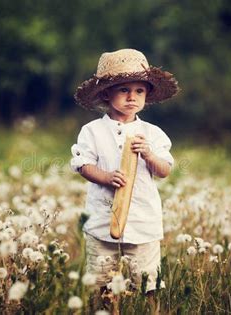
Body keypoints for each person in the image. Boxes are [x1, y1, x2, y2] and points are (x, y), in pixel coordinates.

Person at [71, 48, 179, 311]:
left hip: (143, 221)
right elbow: (83, 165)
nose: (132, 97)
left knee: (145, 281)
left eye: (139, 91)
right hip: (102, 220)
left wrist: (149, 155)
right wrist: (106, 177)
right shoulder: (93, 131)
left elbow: (164, 170)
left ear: (147, 95)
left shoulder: (152, 133)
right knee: (102, 282)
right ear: (106, 94)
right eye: (124, 90)